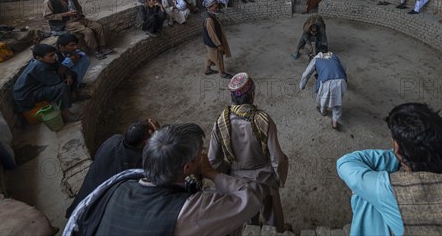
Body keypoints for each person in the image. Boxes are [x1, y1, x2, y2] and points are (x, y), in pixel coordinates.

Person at [64, 123, 268, 236]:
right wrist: (210, 173)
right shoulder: (190, 210)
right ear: (188, 167)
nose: (203, 155)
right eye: (200, 154)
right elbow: (252, 196)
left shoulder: (120, 184)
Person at [337, 103, 442, 236]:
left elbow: (345, 163)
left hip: (396, 192)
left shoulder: (391, 191)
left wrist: (399, 154)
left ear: (397, 149)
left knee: (366, 199)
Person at [209, 73, 289, 232]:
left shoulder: (220, 122)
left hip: (238, 182)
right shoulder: (263, 119)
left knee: (247, 219)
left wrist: (229, 175)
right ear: (252, 95)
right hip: (265, 178)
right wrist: (278, 180)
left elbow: (213, 160)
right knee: (272, 215)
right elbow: (277, 159)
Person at [65, 118, 160, 218]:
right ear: (146, 142)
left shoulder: (113, 140)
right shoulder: (140, 164)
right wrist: (158, 135)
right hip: (90, 218)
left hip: (77, 209)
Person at [43, 0, 113, 59]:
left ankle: (103, 47)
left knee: (98, 26)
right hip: (66, 22)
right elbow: (47, 16)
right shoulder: (49, 1)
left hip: (78, 18)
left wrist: (79, 14)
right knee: (88, 32)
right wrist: (66, 14)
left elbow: (78, 7)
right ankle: (94, 50)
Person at [13, 44, 81, 122]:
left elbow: (62, 68)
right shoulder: (39, 67)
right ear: (39, 58)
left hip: (36, 88)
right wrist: (65, 76)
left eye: (54, 54)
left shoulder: (48, 60)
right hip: (26, 96)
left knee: (72, 74)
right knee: (62, 87)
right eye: (51, 55)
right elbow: (56, 81)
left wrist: (69, 76)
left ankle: (74, 96)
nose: (54, 57)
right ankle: (66, 115)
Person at [299, 47, 347, 129]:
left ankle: (323, 111)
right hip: (341, 80)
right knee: (338, 101)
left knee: (322, 97)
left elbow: (305, 75)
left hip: (326, 81)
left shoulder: (316, 59)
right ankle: (335, 121)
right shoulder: (335, 56)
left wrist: (302, 85)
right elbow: (343, 68)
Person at [203, 0, 232, 79]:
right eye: (215, 7)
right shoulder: (209, 19)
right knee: (218, 58)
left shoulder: (210, 15)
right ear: (209, 7)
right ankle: (222, 73)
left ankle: (208, 69)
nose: (217, 9)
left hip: (209, 42)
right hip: (212, 43)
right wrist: (218, 44)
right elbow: (212, 34)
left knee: (211, 56)